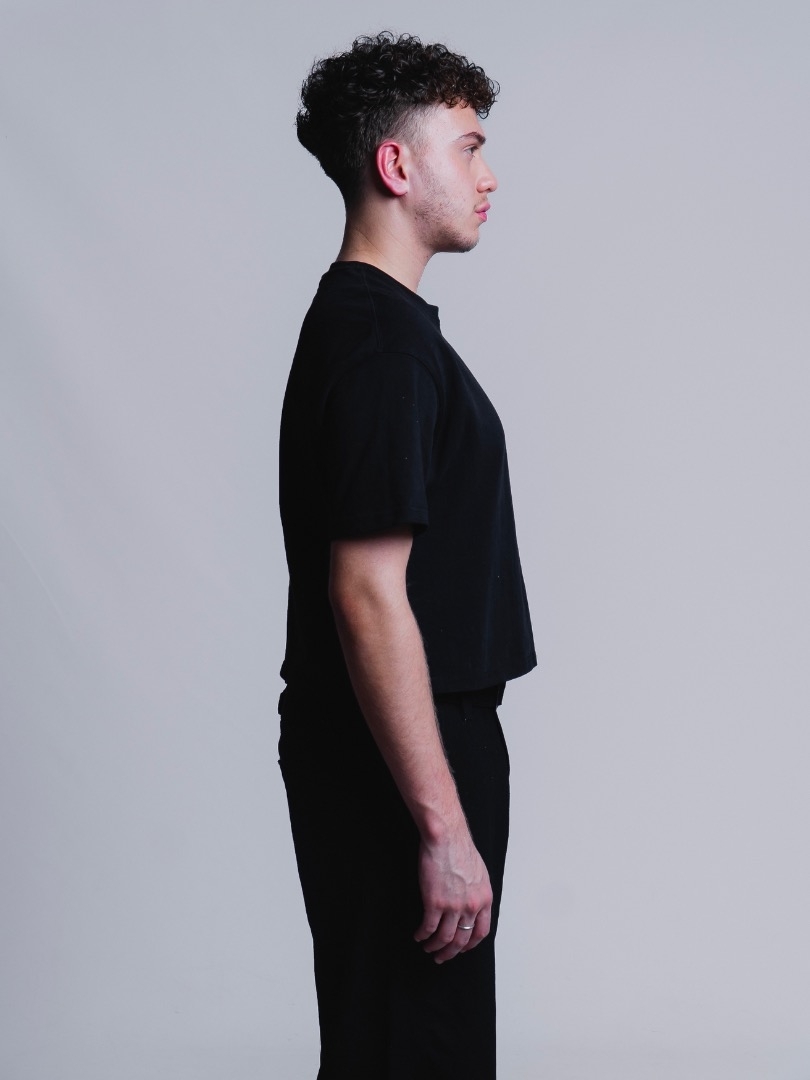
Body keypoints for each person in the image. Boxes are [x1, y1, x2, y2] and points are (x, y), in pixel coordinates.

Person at [278, 32, 536, 1079]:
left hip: (402, 746)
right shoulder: (381, 343)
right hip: (398, 761)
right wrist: (441, 826)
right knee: (412, 1055)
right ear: (396, 164)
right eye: (468, 147)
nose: (488, 175)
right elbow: (366, 594)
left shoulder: (379, 330)